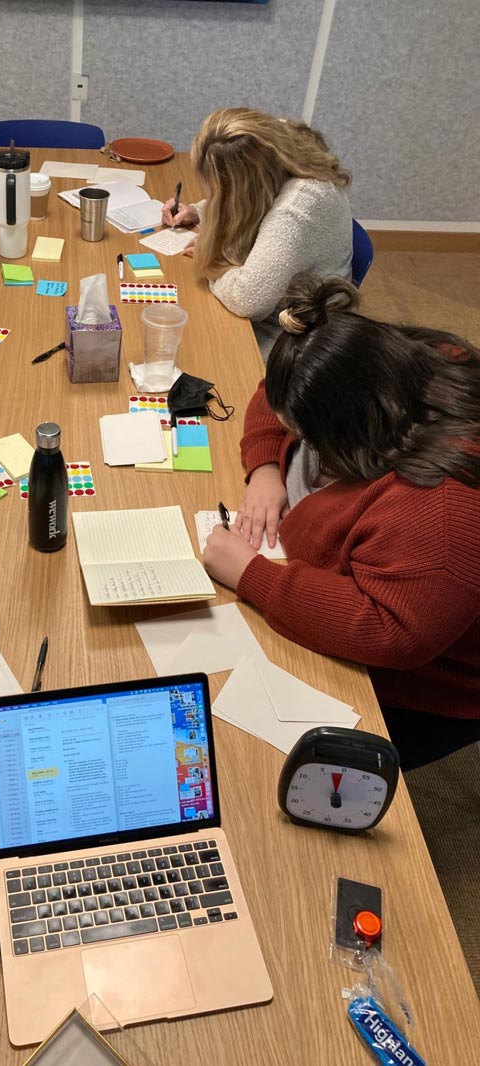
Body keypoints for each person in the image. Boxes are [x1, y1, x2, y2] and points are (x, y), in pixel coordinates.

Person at [203, 274, 480, 770]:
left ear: (356, 428)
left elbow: (391, 630)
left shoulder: (436, 505)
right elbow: (277, 388)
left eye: (308, 435)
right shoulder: (386, 363)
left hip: (419, 679)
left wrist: (253, 575)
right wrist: (265, 466)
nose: (301, 441)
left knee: (250, 758)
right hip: (353, 590)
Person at [161, 108, 353, 360]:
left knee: (196, 349)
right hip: (281, 297)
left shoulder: (297, 208)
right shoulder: (274, 142)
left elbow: (248, 301)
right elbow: (250, 199)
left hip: (302, 333)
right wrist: (199, 211)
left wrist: (213, 258)